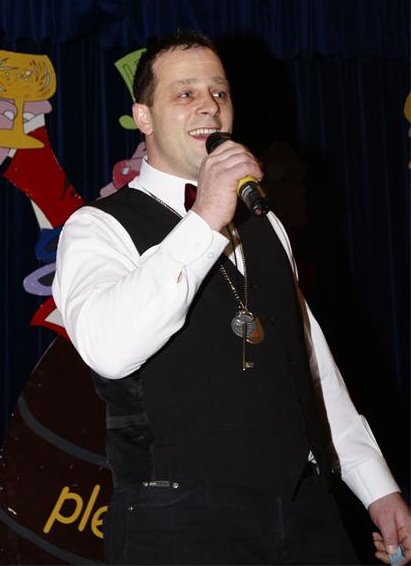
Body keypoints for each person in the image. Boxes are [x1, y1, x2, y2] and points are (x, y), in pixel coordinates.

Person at [52, 29, 411, 565]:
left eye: (219, 92)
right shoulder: (97, 226)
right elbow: (108, 349)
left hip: (302, 505)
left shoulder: (265, 224)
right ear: (143, 117)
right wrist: (205, 218)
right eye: (185, 93)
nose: (209, 106)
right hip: (177, 513)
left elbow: (311, 366)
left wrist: (377, 487)